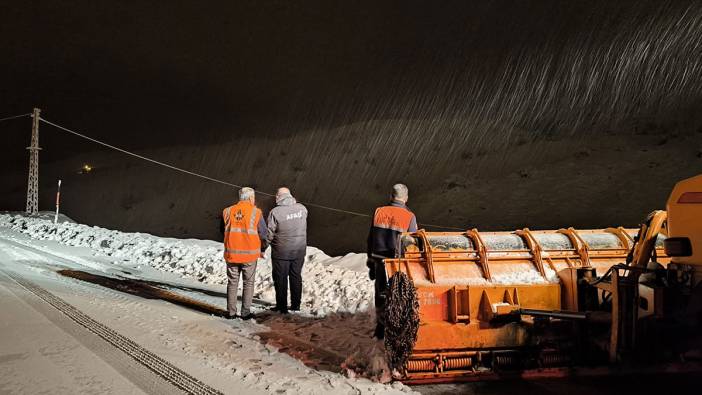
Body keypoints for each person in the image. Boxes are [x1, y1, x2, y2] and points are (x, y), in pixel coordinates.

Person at [367, 183, 417, 339]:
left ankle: (380, 328)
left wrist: (370, 260)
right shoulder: (409, 216)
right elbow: (413, 242)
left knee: (381, 293)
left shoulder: (379, 212)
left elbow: (370, 238)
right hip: (398, 263)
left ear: (391, 196)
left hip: (379, 260)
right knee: (398, 294)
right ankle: (396, 327)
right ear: (406, 198)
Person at [222, 187, 268, 320]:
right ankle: (245, 313)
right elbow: (263, 234)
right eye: (253, 198)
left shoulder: (227, 211)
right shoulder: (256, 212)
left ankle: (231, 313)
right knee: (248, 283)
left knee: (232, 283)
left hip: (231, 253)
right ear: (250, 198)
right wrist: (263, 248)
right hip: (249, 255)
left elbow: (222, 229)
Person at [267, 187, 308, 314]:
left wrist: (263, 247)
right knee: (296, 277)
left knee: (281, 279)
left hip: (281, 252)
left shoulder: (275, 212)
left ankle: (282, 306)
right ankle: (296, 305)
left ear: (278, 197)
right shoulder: (302, 209)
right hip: (299, 251)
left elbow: (269, 233)